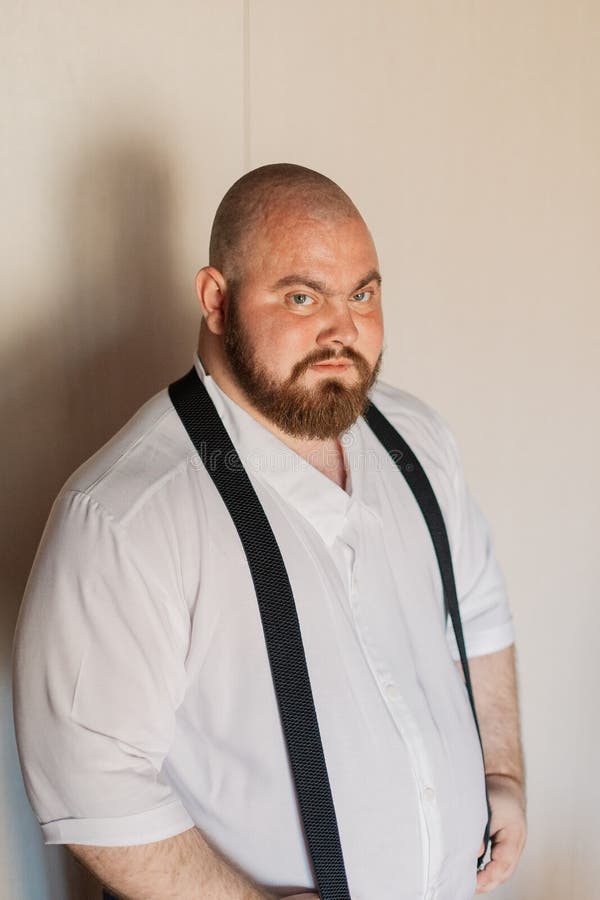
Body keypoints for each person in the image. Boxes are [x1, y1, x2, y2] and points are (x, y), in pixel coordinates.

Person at [12, 163, 526, 899]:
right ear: (216, 302)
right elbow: (88, 784)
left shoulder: (419, 441)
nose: (341, 329)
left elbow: (477, 609)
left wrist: (501, 773)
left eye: (362, 294)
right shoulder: (126, 514)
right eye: (300, 295)